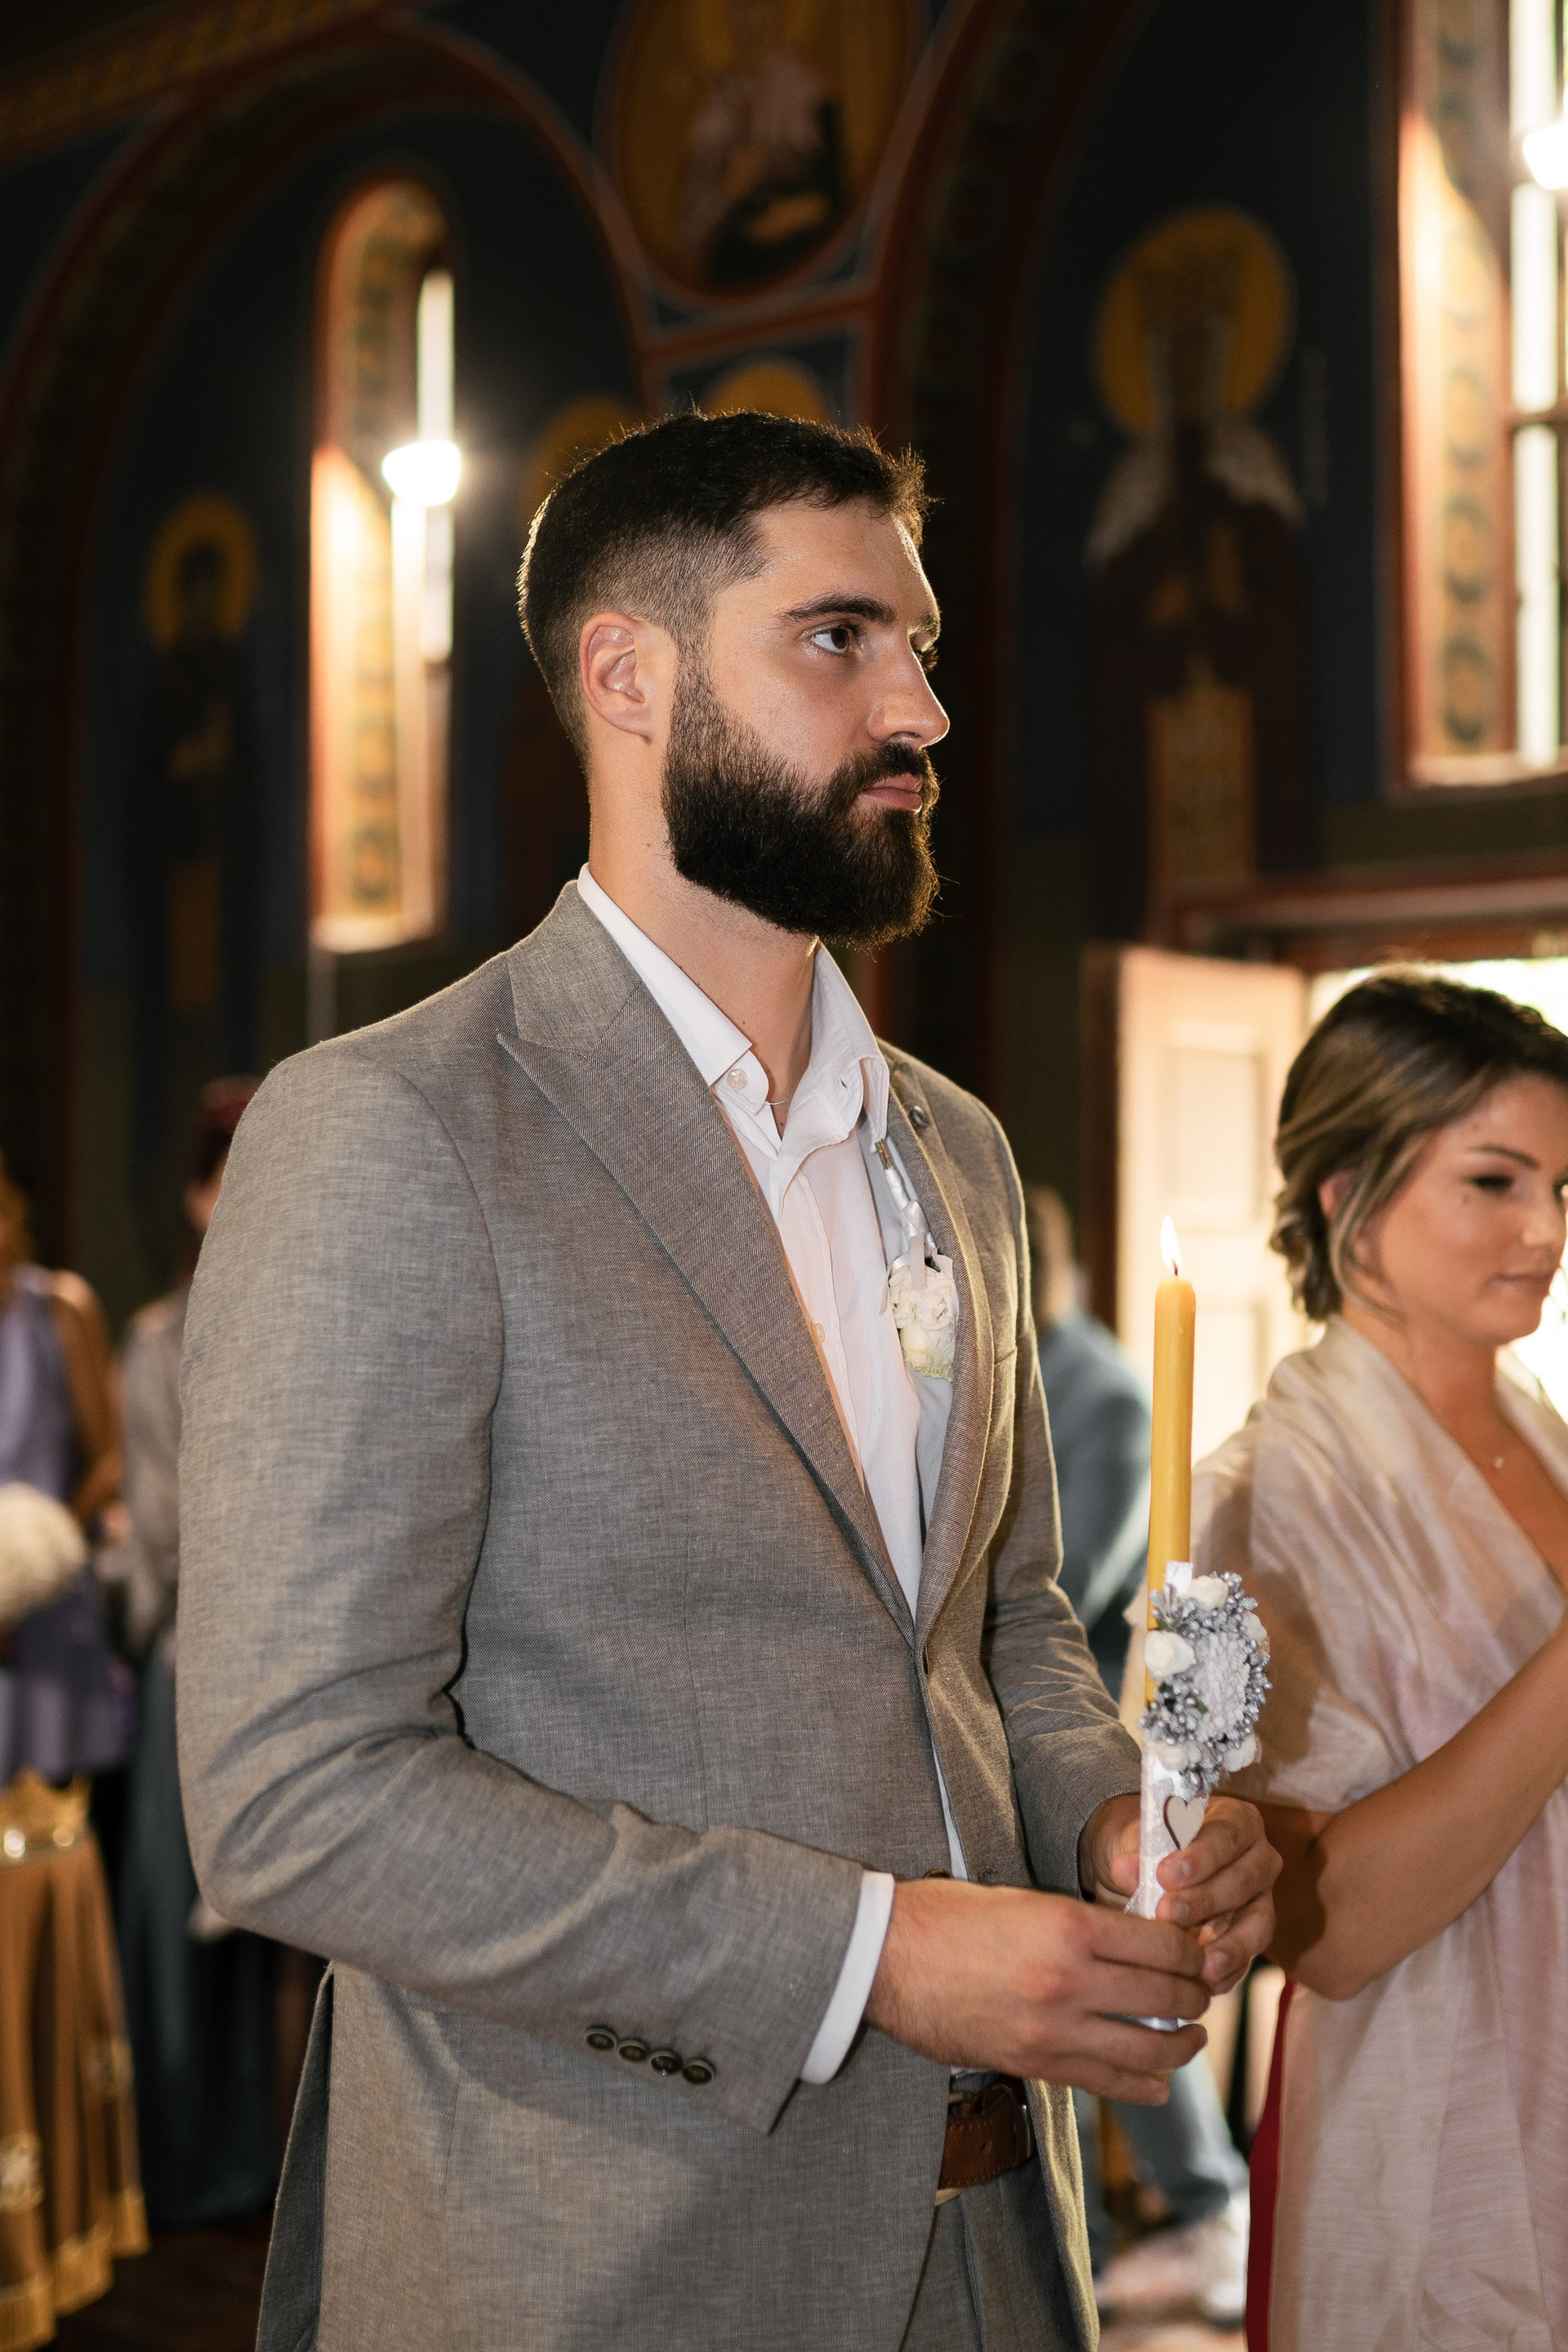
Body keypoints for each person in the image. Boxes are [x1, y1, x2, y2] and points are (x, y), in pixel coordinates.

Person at [178, 411, 1276, 2352]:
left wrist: (1113, 1819)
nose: (923, 710)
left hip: (1000, 2245)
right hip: (605, 2254)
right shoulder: (398, 1128)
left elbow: (1002, 1631)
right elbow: (298, 1798)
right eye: (838, 639)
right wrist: (871, 1956)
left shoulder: (954, 1149)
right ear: (629, 675)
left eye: (919, 648)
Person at [1193, 971, 1568, 2349]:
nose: (1546, 1230)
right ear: (1348, 1192)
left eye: (1563, 1189)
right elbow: (1324, 1927)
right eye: (1494, 1181)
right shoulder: (1256, 1504)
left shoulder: (1546, 1435)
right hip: (1434, 2130)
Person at [1026, 1186, 1250, 2323]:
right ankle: (1091, 2236)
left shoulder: (1106, 1394)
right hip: (1019, 1738)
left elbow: (1084, 1578)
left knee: (1135, 1980)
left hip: (1103, 1727)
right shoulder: (1016, 1374)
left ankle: (1211, 2207)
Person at [118, 1078, 276, 2228]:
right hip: (196, 1657)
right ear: (193, 1192)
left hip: (286, 1658)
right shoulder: (155, 1340)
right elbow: (163, 1529)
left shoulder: (305, 1317)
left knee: (272, 1944)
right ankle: (179, 2172)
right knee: (177, 1932)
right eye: (226, 1175)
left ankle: (253, 2166)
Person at [0, 1152, 146, 2350]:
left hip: (38, 1642)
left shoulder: (57, 1311)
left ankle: (51, 2230)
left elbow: (108, 1458)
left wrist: (34, 1545)